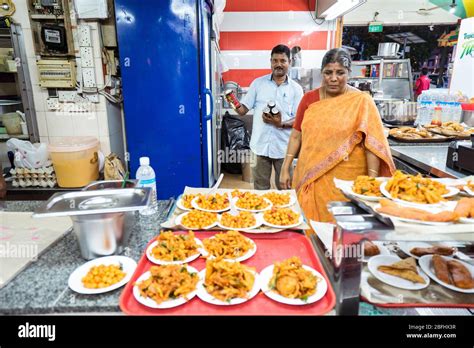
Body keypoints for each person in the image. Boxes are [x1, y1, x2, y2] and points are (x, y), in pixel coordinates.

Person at [279, 48, 395, 223]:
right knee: (311, 226)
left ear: (349, 73)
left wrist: (371, 181)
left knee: (343, 231)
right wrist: (284, 168)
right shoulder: (309, 100)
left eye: (340, 73)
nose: (333, 78)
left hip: (348, 182)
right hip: (312, 177)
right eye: (328, 73)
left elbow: (372, 144)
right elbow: (296, 136)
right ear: (322, 73)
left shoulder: (362, 101)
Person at [232, 44, 303, 190]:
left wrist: (281, 123)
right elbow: (242, 110)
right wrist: (232, 101)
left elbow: (299, 119)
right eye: (275, 60)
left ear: (289, 62)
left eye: (283, 61)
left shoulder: (296, 89)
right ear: (270, 62)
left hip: (284, 148)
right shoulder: (258, 84)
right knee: (260, 189)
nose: (278, 64)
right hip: (259, 146)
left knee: (285, 189)